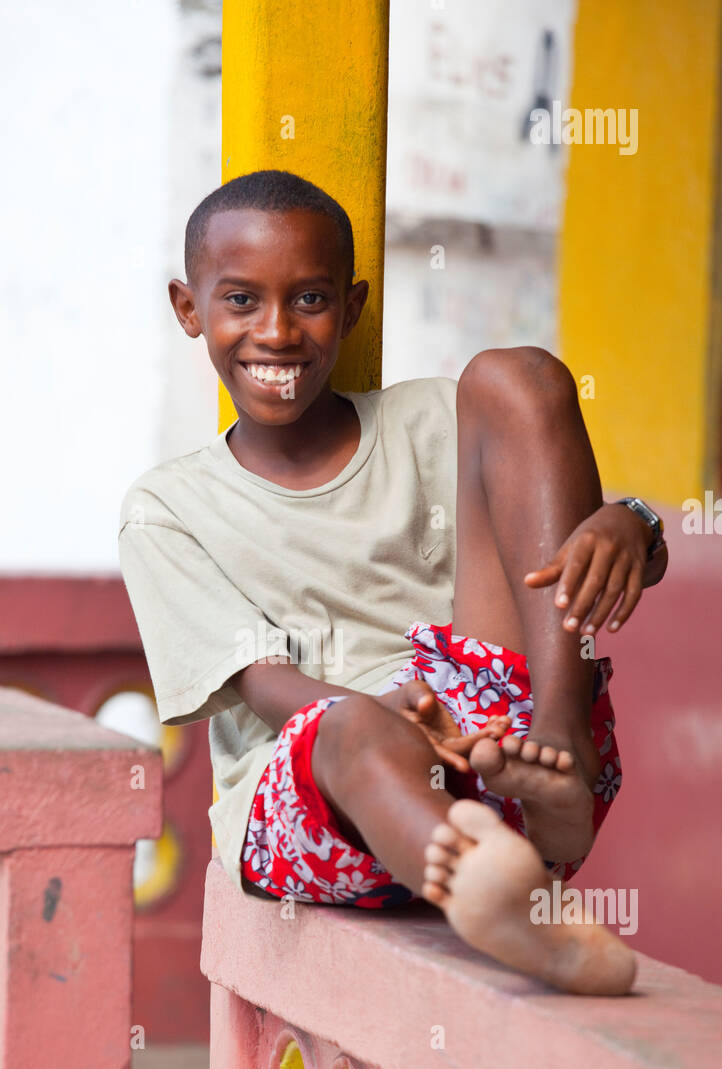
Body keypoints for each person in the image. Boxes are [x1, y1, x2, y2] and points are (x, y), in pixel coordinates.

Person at [118, 170, 668, 995]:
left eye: (309, 300)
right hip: (328, 801)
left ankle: (561, 761)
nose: (276, 331)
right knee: (343, 726)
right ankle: (495, 891)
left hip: (499, 738)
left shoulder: (435, 419)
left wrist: (637, 526)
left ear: (352, 305)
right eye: (240, 301)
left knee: (516, 374)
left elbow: (582, 551)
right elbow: (271, 686)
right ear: (189, 309)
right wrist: (393, 717)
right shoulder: (169, 507)